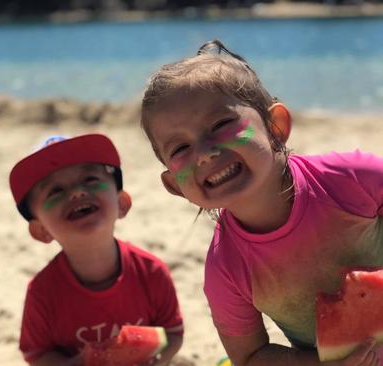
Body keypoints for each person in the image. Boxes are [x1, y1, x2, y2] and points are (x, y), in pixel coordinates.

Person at [140, 39, 383, 366]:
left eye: (221, 125)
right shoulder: (226, 268)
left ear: (275, 127)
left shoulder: (352, 178)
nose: (205, 152)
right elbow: (250, 354)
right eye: (180, 149)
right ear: (175, 186)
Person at [9, 134, 184, 366]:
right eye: (55, 191)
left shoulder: (152, 272)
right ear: (41, 230)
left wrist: (155, 358)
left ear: (122, 204)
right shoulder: (42, 292)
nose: (76, 193)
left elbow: (172, 333)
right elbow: (37, 355)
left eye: (90, 179)